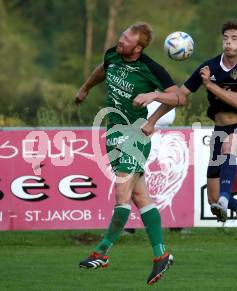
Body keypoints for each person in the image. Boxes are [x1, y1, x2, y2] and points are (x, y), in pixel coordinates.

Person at [74, 22, 179, 285]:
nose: (120, 41)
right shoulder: (113, 55)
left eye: (126, 39)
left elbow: (178, 97)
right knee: (140, 196)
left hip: (135, 134)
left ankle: (102, 251)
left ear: (138, 47)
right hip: (113, 135)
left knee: (121, 193)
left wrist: (152, 112)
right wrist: (86, 88)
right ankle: (161, 255)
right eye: (121, 36)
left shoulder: (151, 68)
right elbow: (103, 69)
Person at [137, 20, 237, 234]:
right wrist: (152, 118)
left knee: (230, 145)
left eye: (234, 39)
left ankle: (225, 198)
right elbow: (180, 96)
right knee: (212, 198)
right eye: (226, 38)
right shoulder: (208, 67)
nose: (229, 42)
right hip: (219, 132)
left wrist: (210, 85)